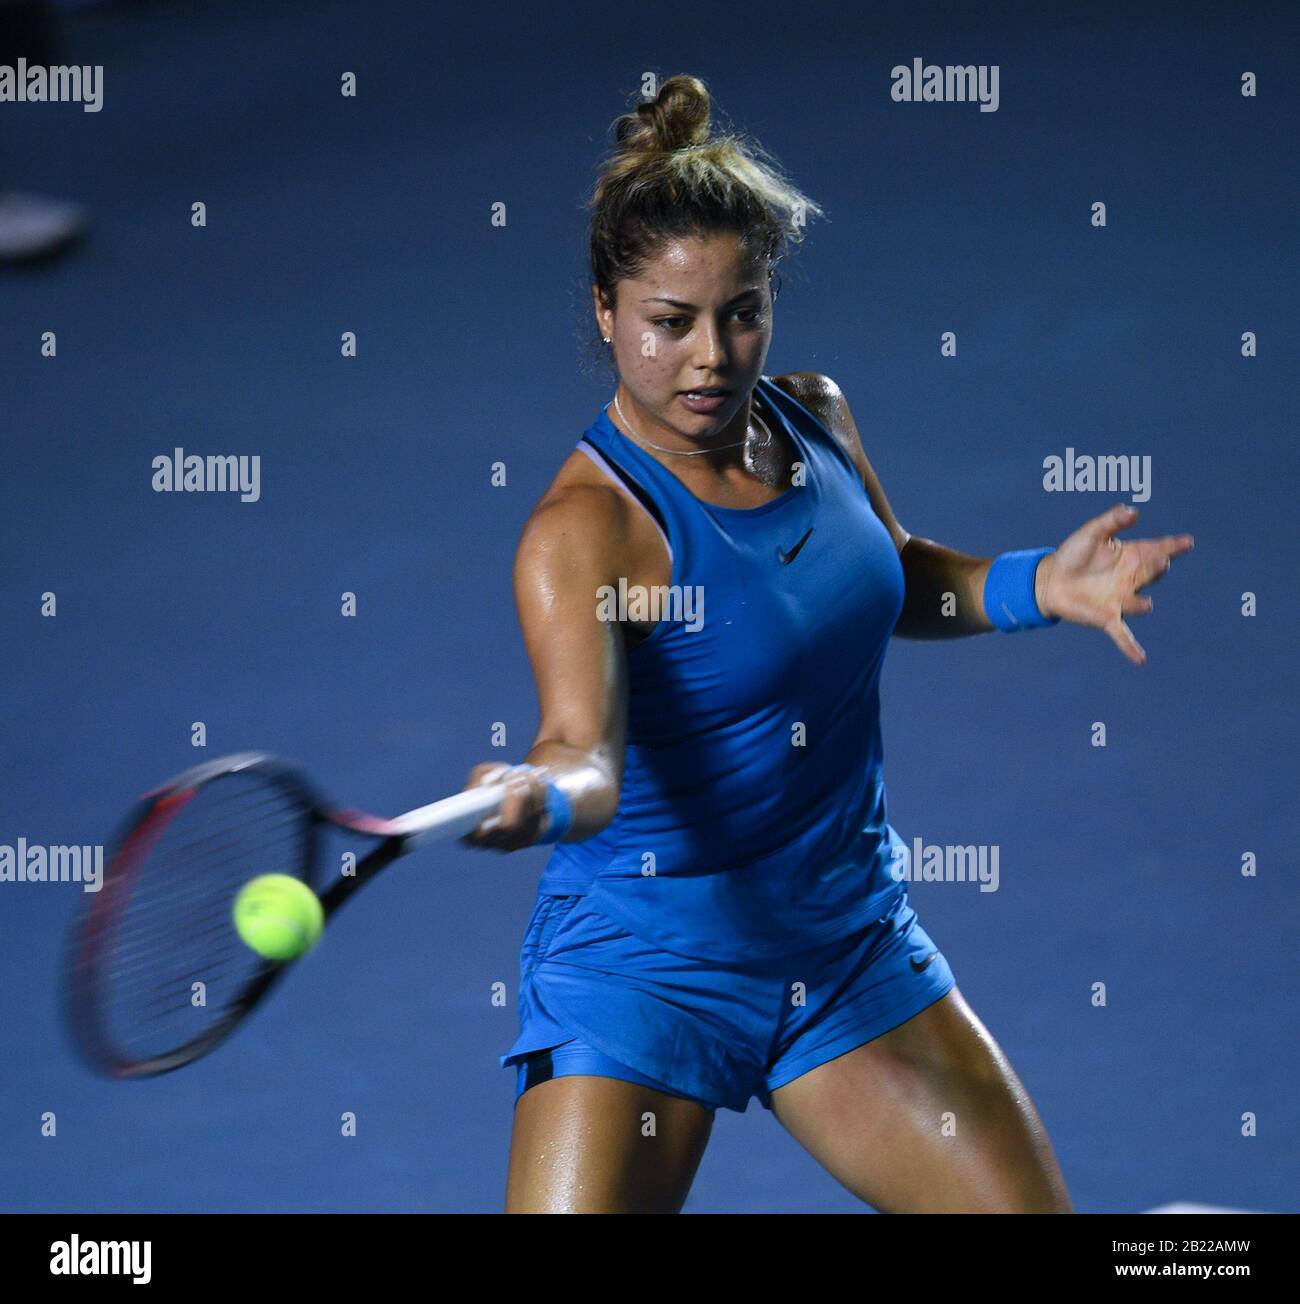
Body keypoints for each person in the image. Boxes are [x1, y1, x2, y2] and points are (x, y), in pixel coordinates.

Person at [461, 74, 1193, 1214]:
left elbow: (890, 576)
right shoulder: (584, 532)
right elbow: (582, 755)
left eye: (740, 311)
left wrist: (1036, 583)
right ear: (605, 309)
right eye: (669, 322)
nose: (710, 356)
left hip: (841, 945)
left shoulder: (812, 416)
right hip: (646, 970)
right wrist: (535, 795)